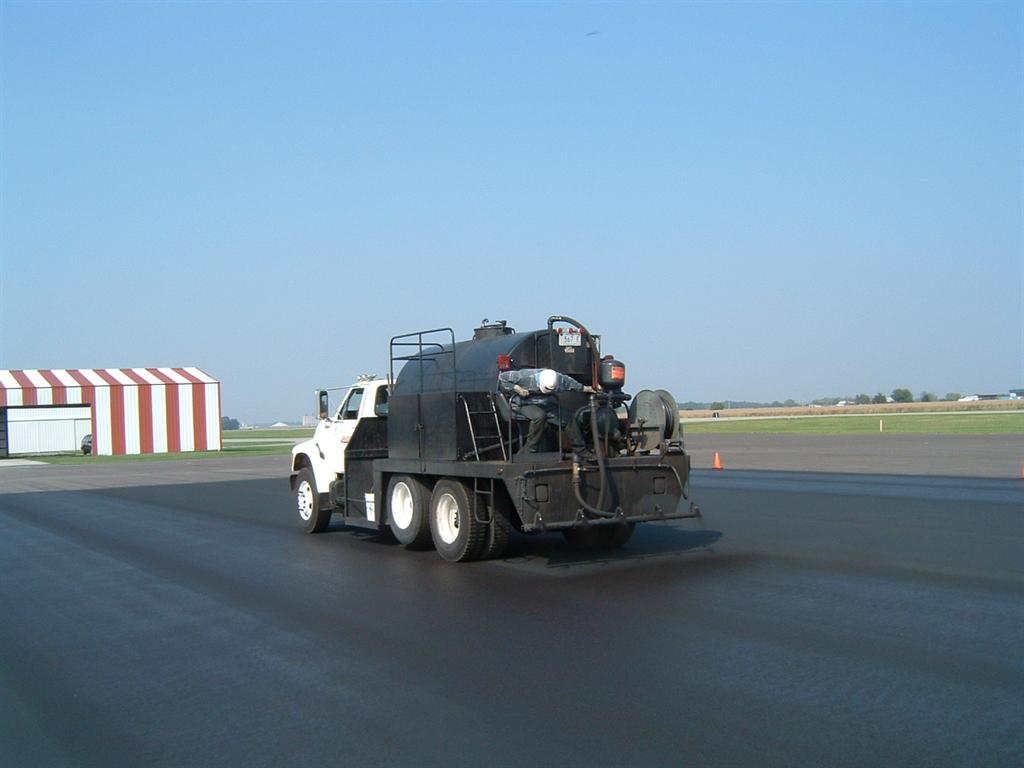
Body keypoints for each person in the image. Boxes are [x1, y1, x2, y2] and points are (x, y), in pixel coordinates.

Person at [497, 367, 593, 455]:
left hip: (544, 404)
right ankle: (529, 451)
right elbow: (502, 377)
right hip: (523, 404)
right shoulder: (525, 376)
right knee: (539, 416)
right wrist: (517, 388)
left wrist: (586, 388)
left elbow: (570, 383)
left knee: (568, 418)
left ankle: (580, 451)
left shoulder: (559, 379)